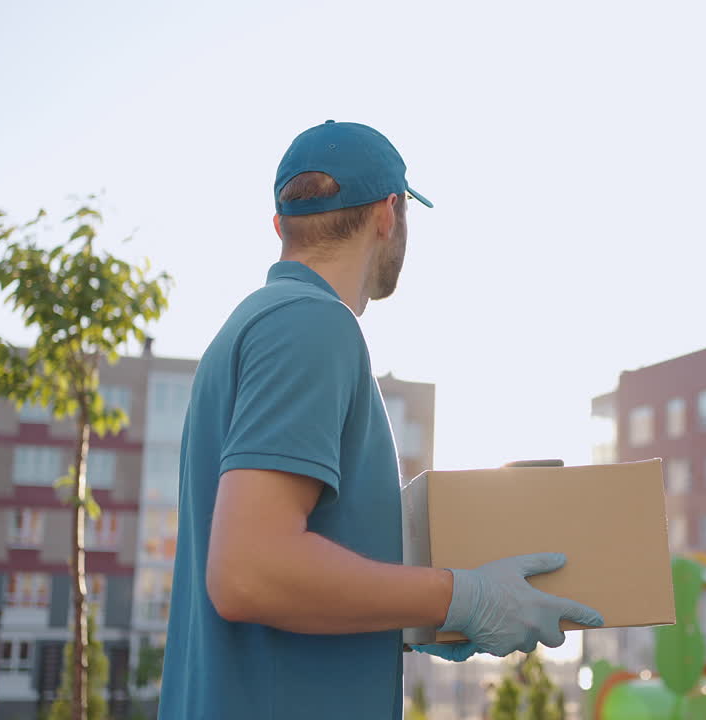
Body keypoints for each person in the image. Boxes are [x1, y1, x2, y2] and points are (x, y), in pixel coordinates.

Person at [157, 121, 605, 719]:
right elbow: (250, 572)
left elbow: (282, 578)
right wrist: (461, 596)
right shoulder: (311, 325)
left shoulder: (256, 325)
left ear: (280, 227)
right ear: (388, 215)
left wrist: (418, 614)